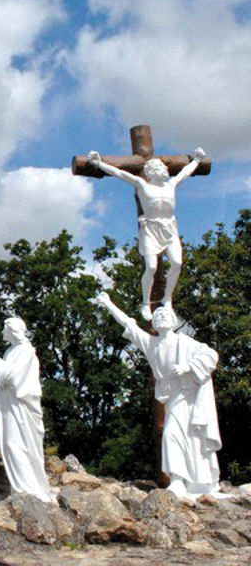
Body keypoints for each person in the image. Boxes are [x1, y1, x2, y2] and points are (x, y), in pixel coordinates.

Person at [96, 291, 223, 498]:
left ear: (173, 321)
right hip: (171, 397)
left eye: (166, 315)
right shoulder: (151, 344)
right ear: (154, 323)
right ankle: (181, 480)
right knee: (177, 435)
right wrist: (108, 304)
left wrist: (187, 367)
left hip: (188, 395)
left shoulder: (186, 342)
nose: (162, 316)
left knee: (178, 434)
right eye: (158, 315)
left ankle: (182, 481)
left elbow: (211, 355)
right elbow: (129, 325)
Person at [87, 148, 206, 321]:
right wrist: (99, 163)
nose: (165, 169)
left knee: (177, 263)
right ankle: (145, 302)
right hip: (150, 228)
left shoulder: (171, 184)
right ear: (151, 171)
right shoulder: (142, 184)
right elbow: (119, 173)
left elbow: (185, 172)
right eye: (160, 167)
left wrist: (196, 160)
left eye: (164, 167)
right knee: (151, 266)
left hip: (169, 228)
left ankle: (167, 298)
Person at [0, 317, 53, 502]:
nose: (2, 332)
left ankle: (29, 490)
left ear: (13, 331)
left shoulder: (26, 351)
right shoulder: (10, 351)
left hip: (21, 408)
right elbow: (1, 380)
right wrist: (1, 371)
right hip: (9, 405)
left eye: (5, 328)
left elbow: (14, 378)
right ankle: (20, 489)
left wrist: (0, 367)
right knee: (10, 446)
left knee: (17, 444)